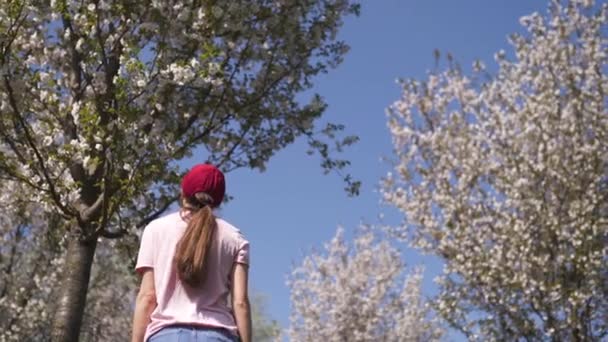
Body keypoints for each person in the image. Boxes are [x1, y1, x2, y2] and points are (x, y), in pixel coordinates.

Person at [131, 164, 251, 342]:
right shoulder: (235, 238)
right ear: (218, 200)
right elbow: (240, 303)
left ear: (183, 193)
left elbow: (148, 296)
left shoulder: (156, 230)